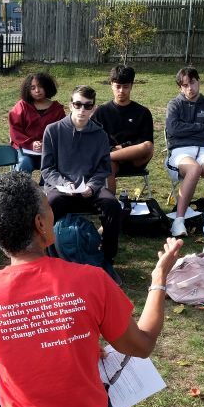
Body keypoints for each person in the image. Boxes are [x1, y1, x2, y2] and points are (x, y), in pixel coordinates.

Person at [0, 171, 183, 407]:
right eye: (48, 206)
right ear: (40, 224)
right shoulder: (93, 280)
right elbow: (142, 346)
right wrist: (159, 278)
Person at [40, 85, 123, 272]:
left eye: (87, 106)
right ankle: (48, 255)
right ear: (70, 105)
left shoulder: (100, 135)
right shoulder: (53, 131)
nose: (82, 110)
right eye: (78, 104)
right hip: (61, 188)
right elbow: (47, 169)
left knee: (113, 206)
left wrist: (92, 187)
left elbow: (103, 168)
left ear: (93, 108)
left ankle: (107, 256)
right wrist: (63, 184)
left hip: (90, 189)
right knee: (47, 207)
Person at [165, 66, 204, 237]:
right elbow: (173, 130)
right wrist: (198, 126)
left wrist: (187, 129)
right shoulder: (174, 104)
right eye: (185, 85)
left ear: (199, 81)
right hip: (179, 151)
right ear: (180, 87)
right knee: (194, 168)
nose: (190, 88)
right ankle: (179, 221)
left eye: (193, 83)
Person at [93, 65, 156, 193]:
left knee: (148, 146)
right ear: (111, 85)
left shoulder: (143, 112)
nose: (121, 91)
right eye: (118, 86)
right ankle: (111, 205)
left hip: (135, 159)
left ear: (131, 86)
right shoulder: (101, 112)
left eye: (125, 87)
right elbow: (97, 139)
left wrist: (122, 148)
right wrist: (111, 149)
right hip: (113, 161)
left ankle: (107, 156)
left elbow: (145, 141)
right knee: (108, 165)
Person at [7, 72, 65, 173]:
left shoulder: (57, 110)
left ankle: (47, 188)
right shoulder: (21, 106)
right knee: (24, 163)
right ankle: (23, 189)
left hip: (48, 151)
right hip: (24, 150)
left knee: (53, 166)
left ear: (47, 87)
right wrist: (31, 143)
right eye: (33, 88)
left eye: (40, 87)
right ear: (28, 90)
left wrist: (46, 144)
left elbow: (61, 132)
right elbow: (15, 131)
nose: (37, 91)